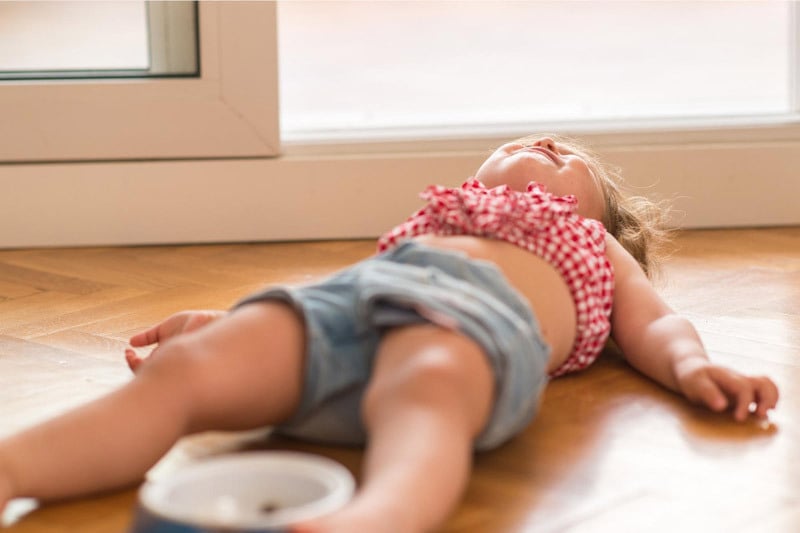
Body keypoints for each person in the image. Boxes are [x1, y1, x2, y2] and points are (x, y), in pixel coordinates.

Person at [0, 135, 780, 532]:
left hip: (468, 330)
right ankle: (16, 465)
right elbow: (339, 296)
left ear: (603, 219)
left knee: (430, 381)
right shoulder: (435, 218)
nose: (548, 144)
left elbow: (659, 323)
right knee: (195, 369)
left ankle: (377, 516)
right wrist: (233, 322)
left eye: (572, 156)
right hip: (355, 311)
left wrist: (694, 367)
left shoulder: (591, 246)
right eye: (530, 137)